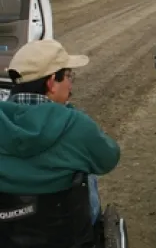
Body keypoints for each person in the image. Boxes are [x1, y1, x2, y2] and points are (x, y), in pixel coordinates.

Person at [0, 38, 121, 224]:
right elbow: (109, 158)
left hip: (7, 241)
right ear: (51, 82)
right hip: (63, 241)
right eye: (67, 76)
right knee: (87, 171)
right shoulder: (75, 123)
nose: (70, 84)